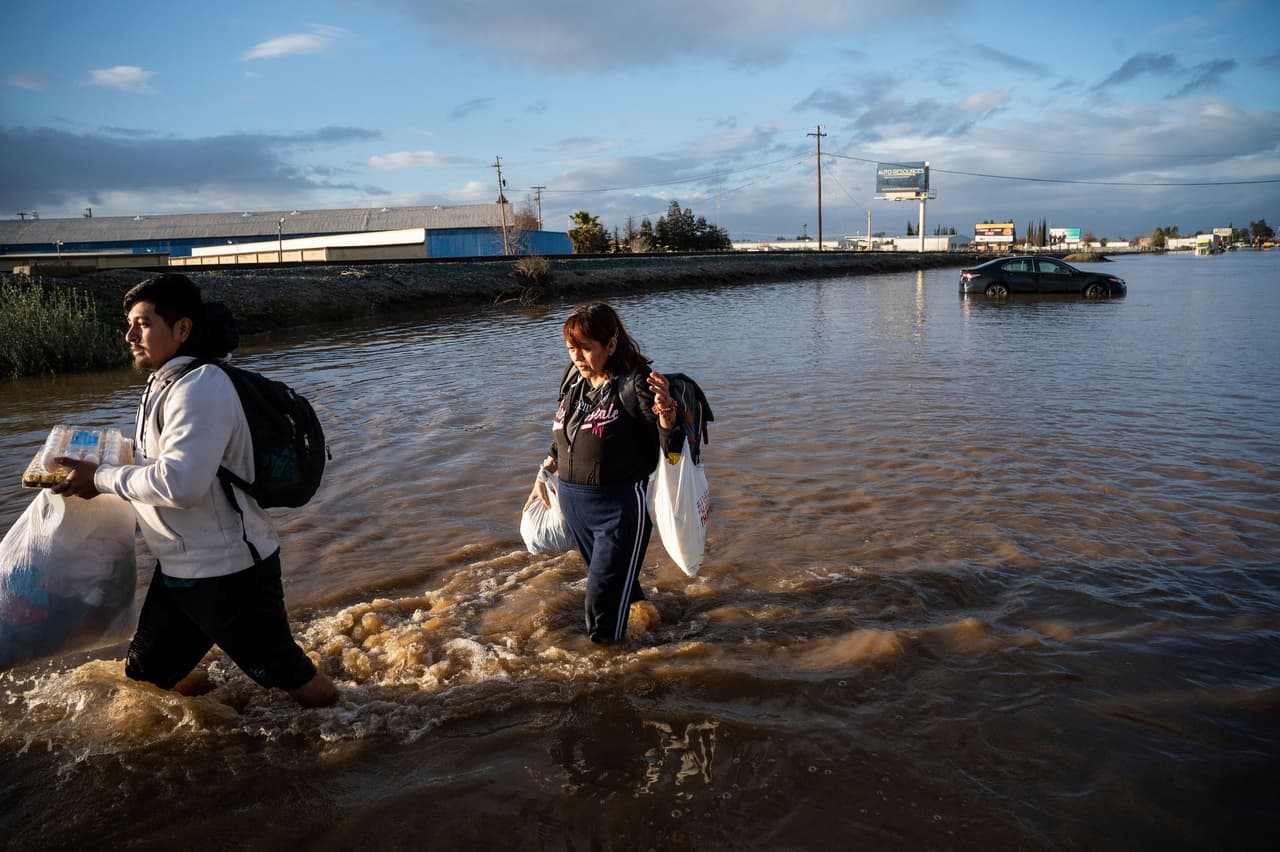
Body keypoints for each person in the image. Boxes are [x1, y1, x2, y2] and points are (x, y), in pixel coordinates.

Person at [52, 273, 337, 707]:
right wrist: (103, 458)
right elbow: (159, 460)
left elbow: (179, 484)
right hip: (182, 569)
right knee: (147, 676)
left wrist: (100, 478)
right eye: (129, 323)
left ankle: (358, 730)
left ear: (182, 329)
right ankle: (224, 712)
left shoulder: (201, 387)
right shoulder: (164, 382)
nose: (129, 335)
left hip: (229, 574)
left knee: (292, 678)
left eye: (143, 324)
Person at [525, 302, 679, 643]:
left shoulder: (636, 385)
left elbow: (671, 443)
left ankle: (607, 668)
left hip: (618, 511)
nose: (577, 357)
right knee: (615, 585)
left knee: (600, 604)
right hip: (575, 507)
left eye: (586, 348)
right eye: (571, 348)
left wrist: (667, 410)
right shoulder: (572, 381)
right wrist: (542, 476)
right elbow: (563, 438)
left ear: (611, 345)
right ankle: (653, 624)